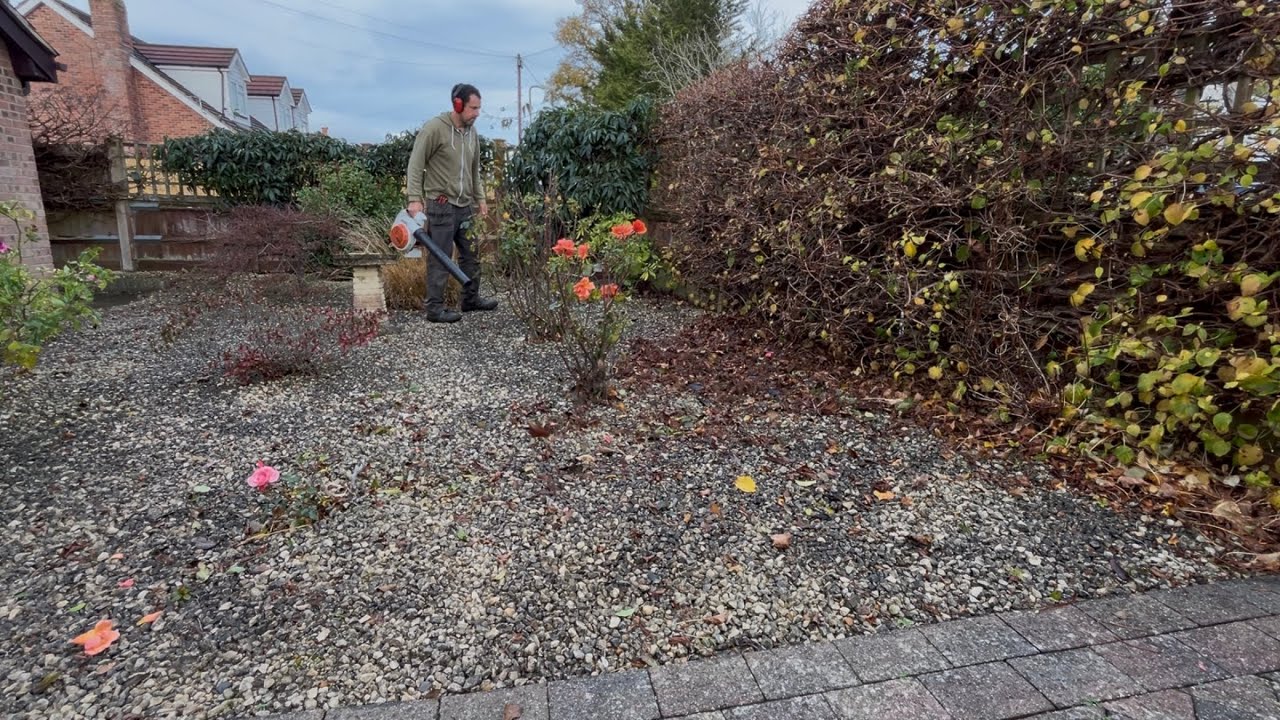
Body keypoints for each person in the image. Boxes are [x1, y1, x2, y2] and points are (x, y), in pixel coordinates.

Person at [405, 83, 498, 322]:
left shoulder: (472, 133)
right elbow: (416, 163)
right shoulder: (434, 129)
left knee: (471, 254)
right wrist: (414, 199)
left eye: (479, 108)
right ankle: (434, 309)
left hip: (465, 205)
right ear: (458, 104)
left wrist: (480, 199)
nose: (477, 113)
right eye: (473, 108)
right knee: (441, 257)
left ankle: (470, 300)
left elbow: (475, 169)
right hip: (441, 205)